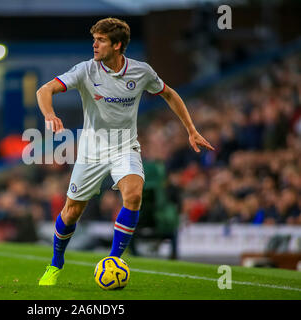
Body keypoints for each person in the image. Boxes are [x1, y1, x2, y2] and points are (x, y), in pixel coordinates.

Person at [36, 18, 214, 286]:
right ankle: (55, 263)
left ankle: (113, 260)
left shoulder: (141, 72)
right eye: (94, 39)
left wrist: (191, 129)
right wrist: (50, 114)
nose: (94, 45)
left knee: (133, 195)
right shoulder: (86, 70)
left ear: (117, 45)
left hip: (124, 146)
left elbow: (170, 94)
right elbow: (45, 89)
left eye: (101, 40)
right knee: (72, 212)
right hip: (91, 151)